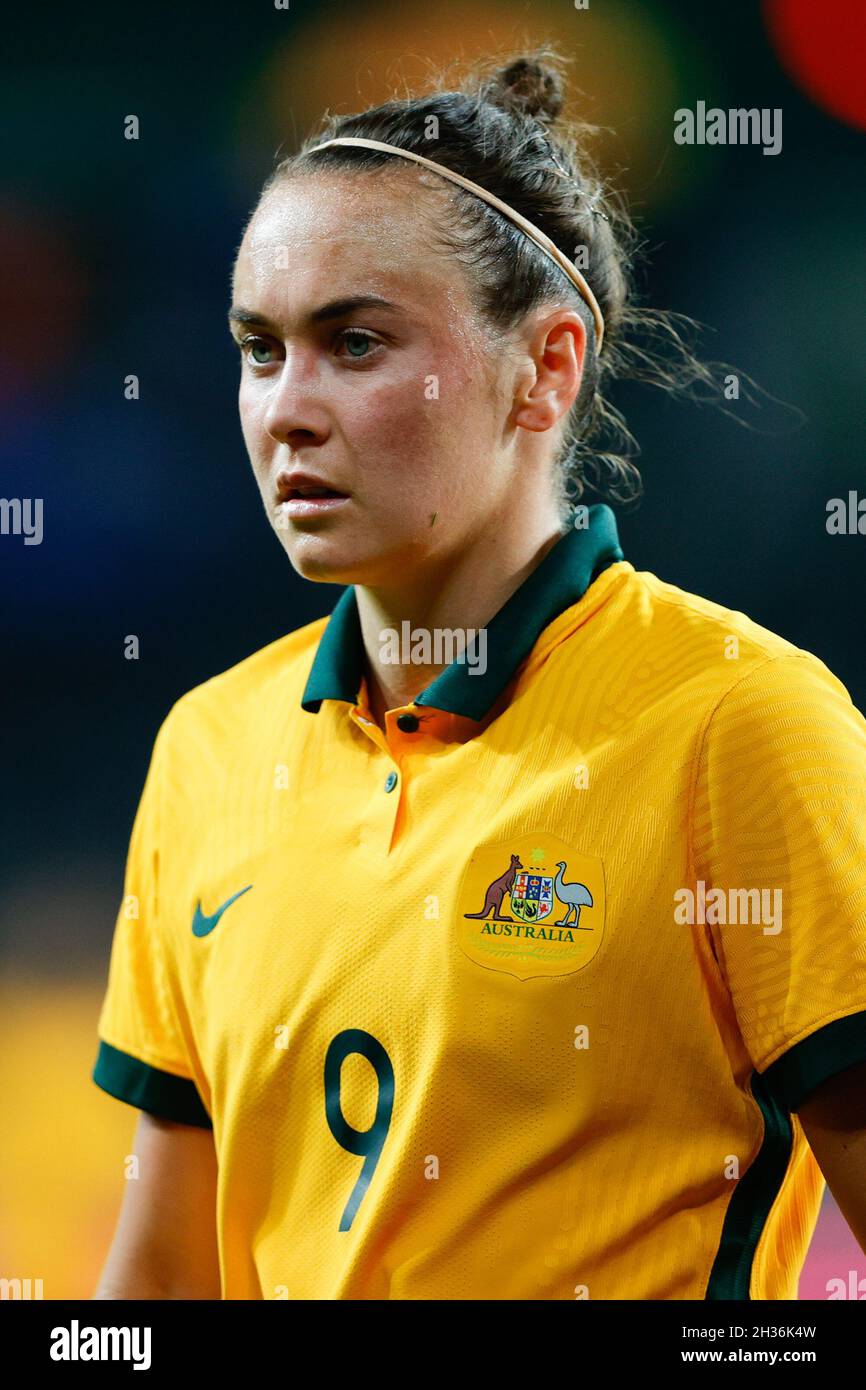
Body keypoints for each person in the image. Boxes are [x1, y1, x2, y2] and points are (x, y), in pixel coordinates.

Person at [91, 50, 866, 1300]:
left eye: (353, 342)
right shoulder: (207, 748)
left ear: (544, 369)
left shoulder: (738, 724)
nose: (285, 407)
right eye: (258, 347)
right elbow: (158, 1289)